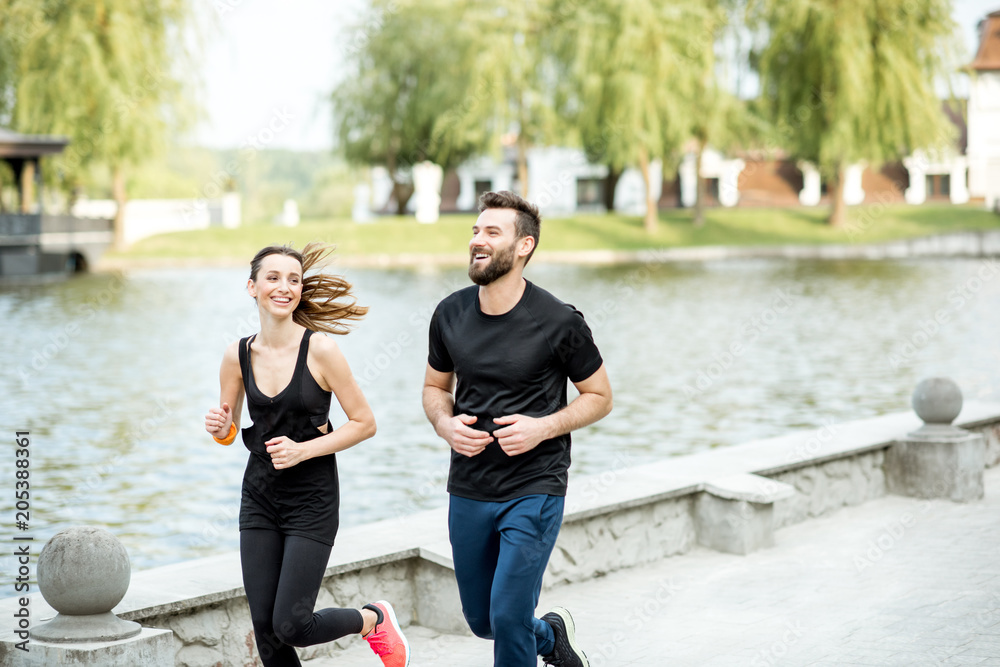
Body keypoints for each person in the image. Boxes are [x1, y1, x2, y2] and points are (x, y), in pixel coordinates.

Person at [422, 191, 613, 667]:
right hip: (468, 485)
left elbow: (600, 397)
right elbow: (433, 387)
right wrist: (445, 424)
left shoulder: (558, 321)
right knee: (484, 620)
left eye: (492, 232)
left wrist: (542, 428)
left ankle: (532, 635)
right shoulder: (449, 313)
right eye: (475, 231)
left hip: (535, 485)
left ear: (524, 246)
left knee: (508, 617)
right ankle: (550, 637)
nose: (477, 241)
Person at [204, 243, 410, 667]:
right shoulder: (236, 355)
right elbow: (230, 430)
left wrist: (303, 451)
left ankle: (372, 619)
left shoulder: (321, 351)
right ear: (252, 287)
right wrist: (221, 430)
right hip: (259, 497)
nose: (284, 287)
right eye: (273, 278)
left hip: (311, 501)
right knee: (266, 632)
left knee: (292, 626)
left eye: (293, 279)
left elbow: (364, 422)